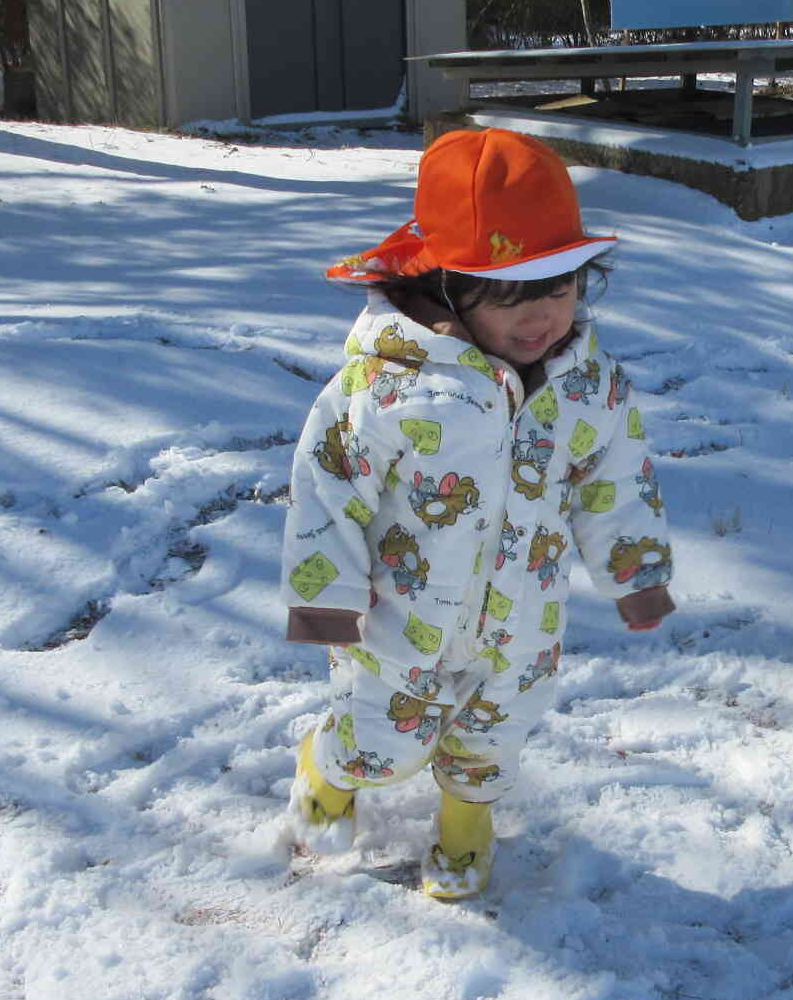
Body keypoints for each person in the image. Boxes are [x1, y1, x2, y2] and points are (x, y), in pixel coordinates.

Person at [283, 128, 675, 899]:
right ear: (448, 286)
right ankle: (328, 772)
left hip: (522, 623)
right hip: (399, 620)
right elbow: (329, 482)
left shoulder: (586, 382)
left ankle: (466, 828)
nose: (541, 318)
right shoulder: (389, 385)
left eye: (559, 289)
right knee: (381, 742)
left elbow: (615, 479)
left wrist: (635, 573)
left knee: (494, 739)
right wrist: (325, 593)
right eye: (510, 295)